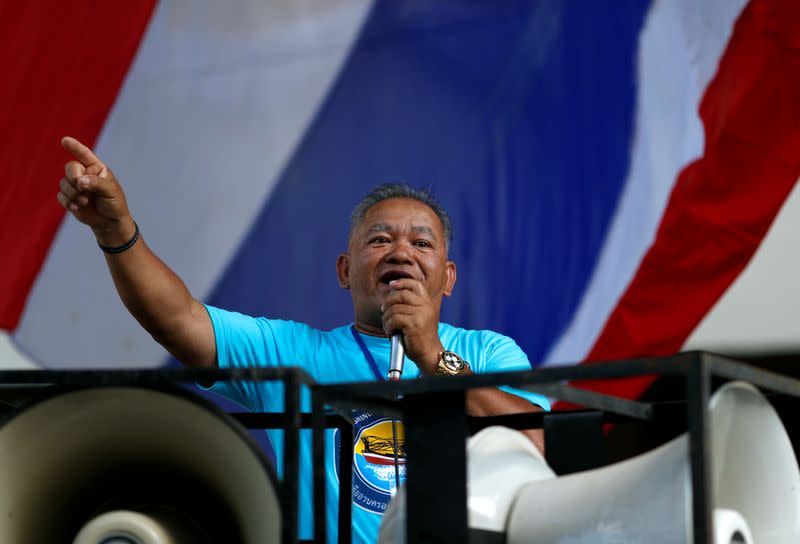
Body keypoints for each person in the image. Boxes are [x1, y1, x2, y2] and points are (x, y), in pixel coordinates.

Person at [57, 136, 549, 543]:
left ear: (448, 278)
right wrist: (116, 231)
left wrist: (432, 356)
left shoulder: (490, 353)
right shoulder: (294, 353)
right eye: (379, 240)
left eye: (421, 243)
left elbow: (530, 444)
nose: (400, 252)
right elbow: (178, 319)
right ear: (343, 270)